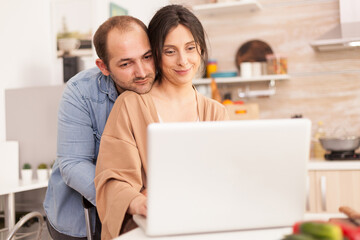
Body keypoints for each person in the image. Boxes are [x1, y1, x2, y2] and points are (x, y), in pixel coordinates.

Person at [94, 4, 229, 239]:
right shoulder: (130, 105)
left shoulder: (215, 112)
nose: (183, 61)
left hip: (204, 220)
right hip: (154, 223)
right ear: (155, 53)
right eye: (170, 51)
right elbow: (112, 179)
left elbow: (227, 175)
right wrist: (138, 201)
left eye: (190, 48)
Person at [43, 15, 155, 240]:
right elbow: (73, 163)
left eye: (147, 56)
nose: (142, 72)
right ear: (103, 66)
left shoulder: (162, 85)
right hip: (80, 221)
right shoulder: (80, 92)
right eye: (126, 63)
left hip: (148, 211)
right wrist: (127, 199)